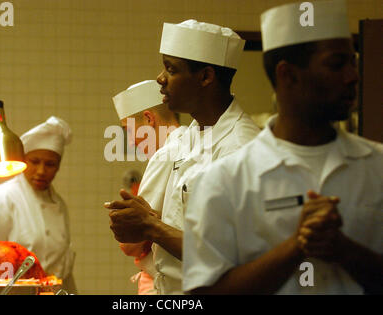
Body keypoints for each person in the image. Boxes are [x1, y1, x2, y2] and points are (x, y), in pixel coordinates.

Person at [182, 0, 383, 295]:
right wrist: (295, 247)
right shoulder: (223, 181)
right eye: (337, 64)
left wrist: (343, 250)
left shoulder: (376, 166)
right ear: (288, 75)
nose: (353, 76)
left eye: (353, 62)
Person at [105, 20, 260, 294]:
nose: (160, 79)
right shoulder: (189, 136)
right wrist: (138, 221)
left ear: (205, 77)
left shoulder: (243, 148)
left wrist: (150, 226)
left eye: (171, 69)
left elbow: (230, 255)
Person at [0, 116, 77, 294]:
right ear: (24, 160)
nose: (41, 171)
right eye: (34, 162)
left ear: (58, 166)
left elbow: (64, 272)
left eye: (50, 164)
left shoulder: (59, 204)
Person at [112, 80, 184, 295]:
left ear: (149, 119)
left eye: (129, 130)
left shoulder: (167, 154)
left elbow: (131, 242)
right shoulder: (198, 143)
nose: (132, 142)